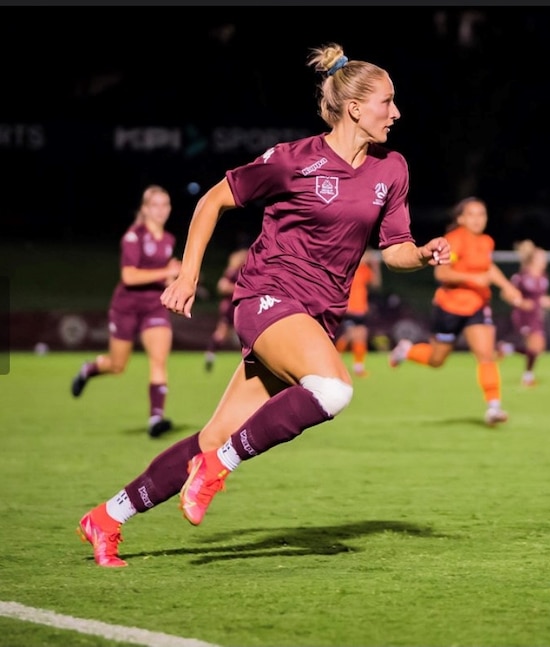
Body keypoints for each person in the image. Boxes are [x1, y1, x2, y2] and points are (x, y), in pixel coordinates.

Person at [76, 43, 450, 568]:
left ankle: (107, 517)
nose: (396, 113)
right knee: (334, 390)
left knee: (212, 436)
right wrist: (187, 274)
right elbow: (212, 201)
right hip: (267, 295)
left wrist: (425, 254)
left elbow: (395, 250)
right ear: (355, 107)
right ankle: (219, 468)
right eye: (387, 102)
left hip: (315, 317)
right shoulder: (292, 160)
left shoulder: (392, 169)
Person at [388, 196, 523, 426]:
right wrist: (473, 278)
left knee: (486, 355)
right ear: (460, 218)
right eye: (471, 214)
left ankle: (493, 407)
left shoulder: (486, 241)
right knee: (436, 360)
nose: (478, 219)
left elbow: (488, 268)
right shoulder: (454, 240)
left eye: (482, 214)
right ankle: (407, 350)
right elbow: (442, 274)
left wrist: (507, 287)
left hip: (478, 306)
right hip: (450, 307)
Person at [70, 184, 181, 438]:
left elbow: (161, 278)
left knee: (159, 359)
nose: (161, 210)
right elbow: (129, 276)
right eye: (155, 205)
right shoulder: (133, 236)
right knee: (118, 365)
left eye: (165, 205)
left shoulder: (168, 240)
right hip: (126, 307)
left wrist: (177, 279)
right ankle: (89, 369)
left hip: (154, 305)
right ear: (145, 209)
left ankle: (156, 419)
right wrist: (167, 272)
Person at [506, 239, 550, 387]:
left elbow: (538, 298)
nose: (544, 261)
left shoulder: (543, 278)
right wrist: (520, 302)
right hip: (523, 315)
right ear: (534, 259)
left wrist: (545, 301)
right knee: (535, 347)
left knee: (538, 349)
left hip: (536, 316)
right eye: (542, 257)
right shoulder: (522, 277)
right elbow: (507, 293)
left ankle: (508, 349)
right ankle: (528, 377)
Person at [334, 247, 382, 377]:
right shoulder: (349, 268)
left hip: (361, 308)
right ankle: (336, 360)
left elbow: (376, 285)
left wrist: (375, 267)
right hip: (349, 308)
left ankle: (358, 367)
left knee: (359, 335)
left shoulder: (365, 270)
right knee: (354, 334)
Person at [203, 242, 250, 372]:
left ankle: (212, 354)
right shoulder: (234, 272)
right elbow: (222, 286)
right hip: (231, 307)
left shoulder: (246, 272)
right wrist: (241, 289)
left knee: (230, 333)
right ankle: (211, 354)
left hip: (240, 306)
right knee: (224, 332)